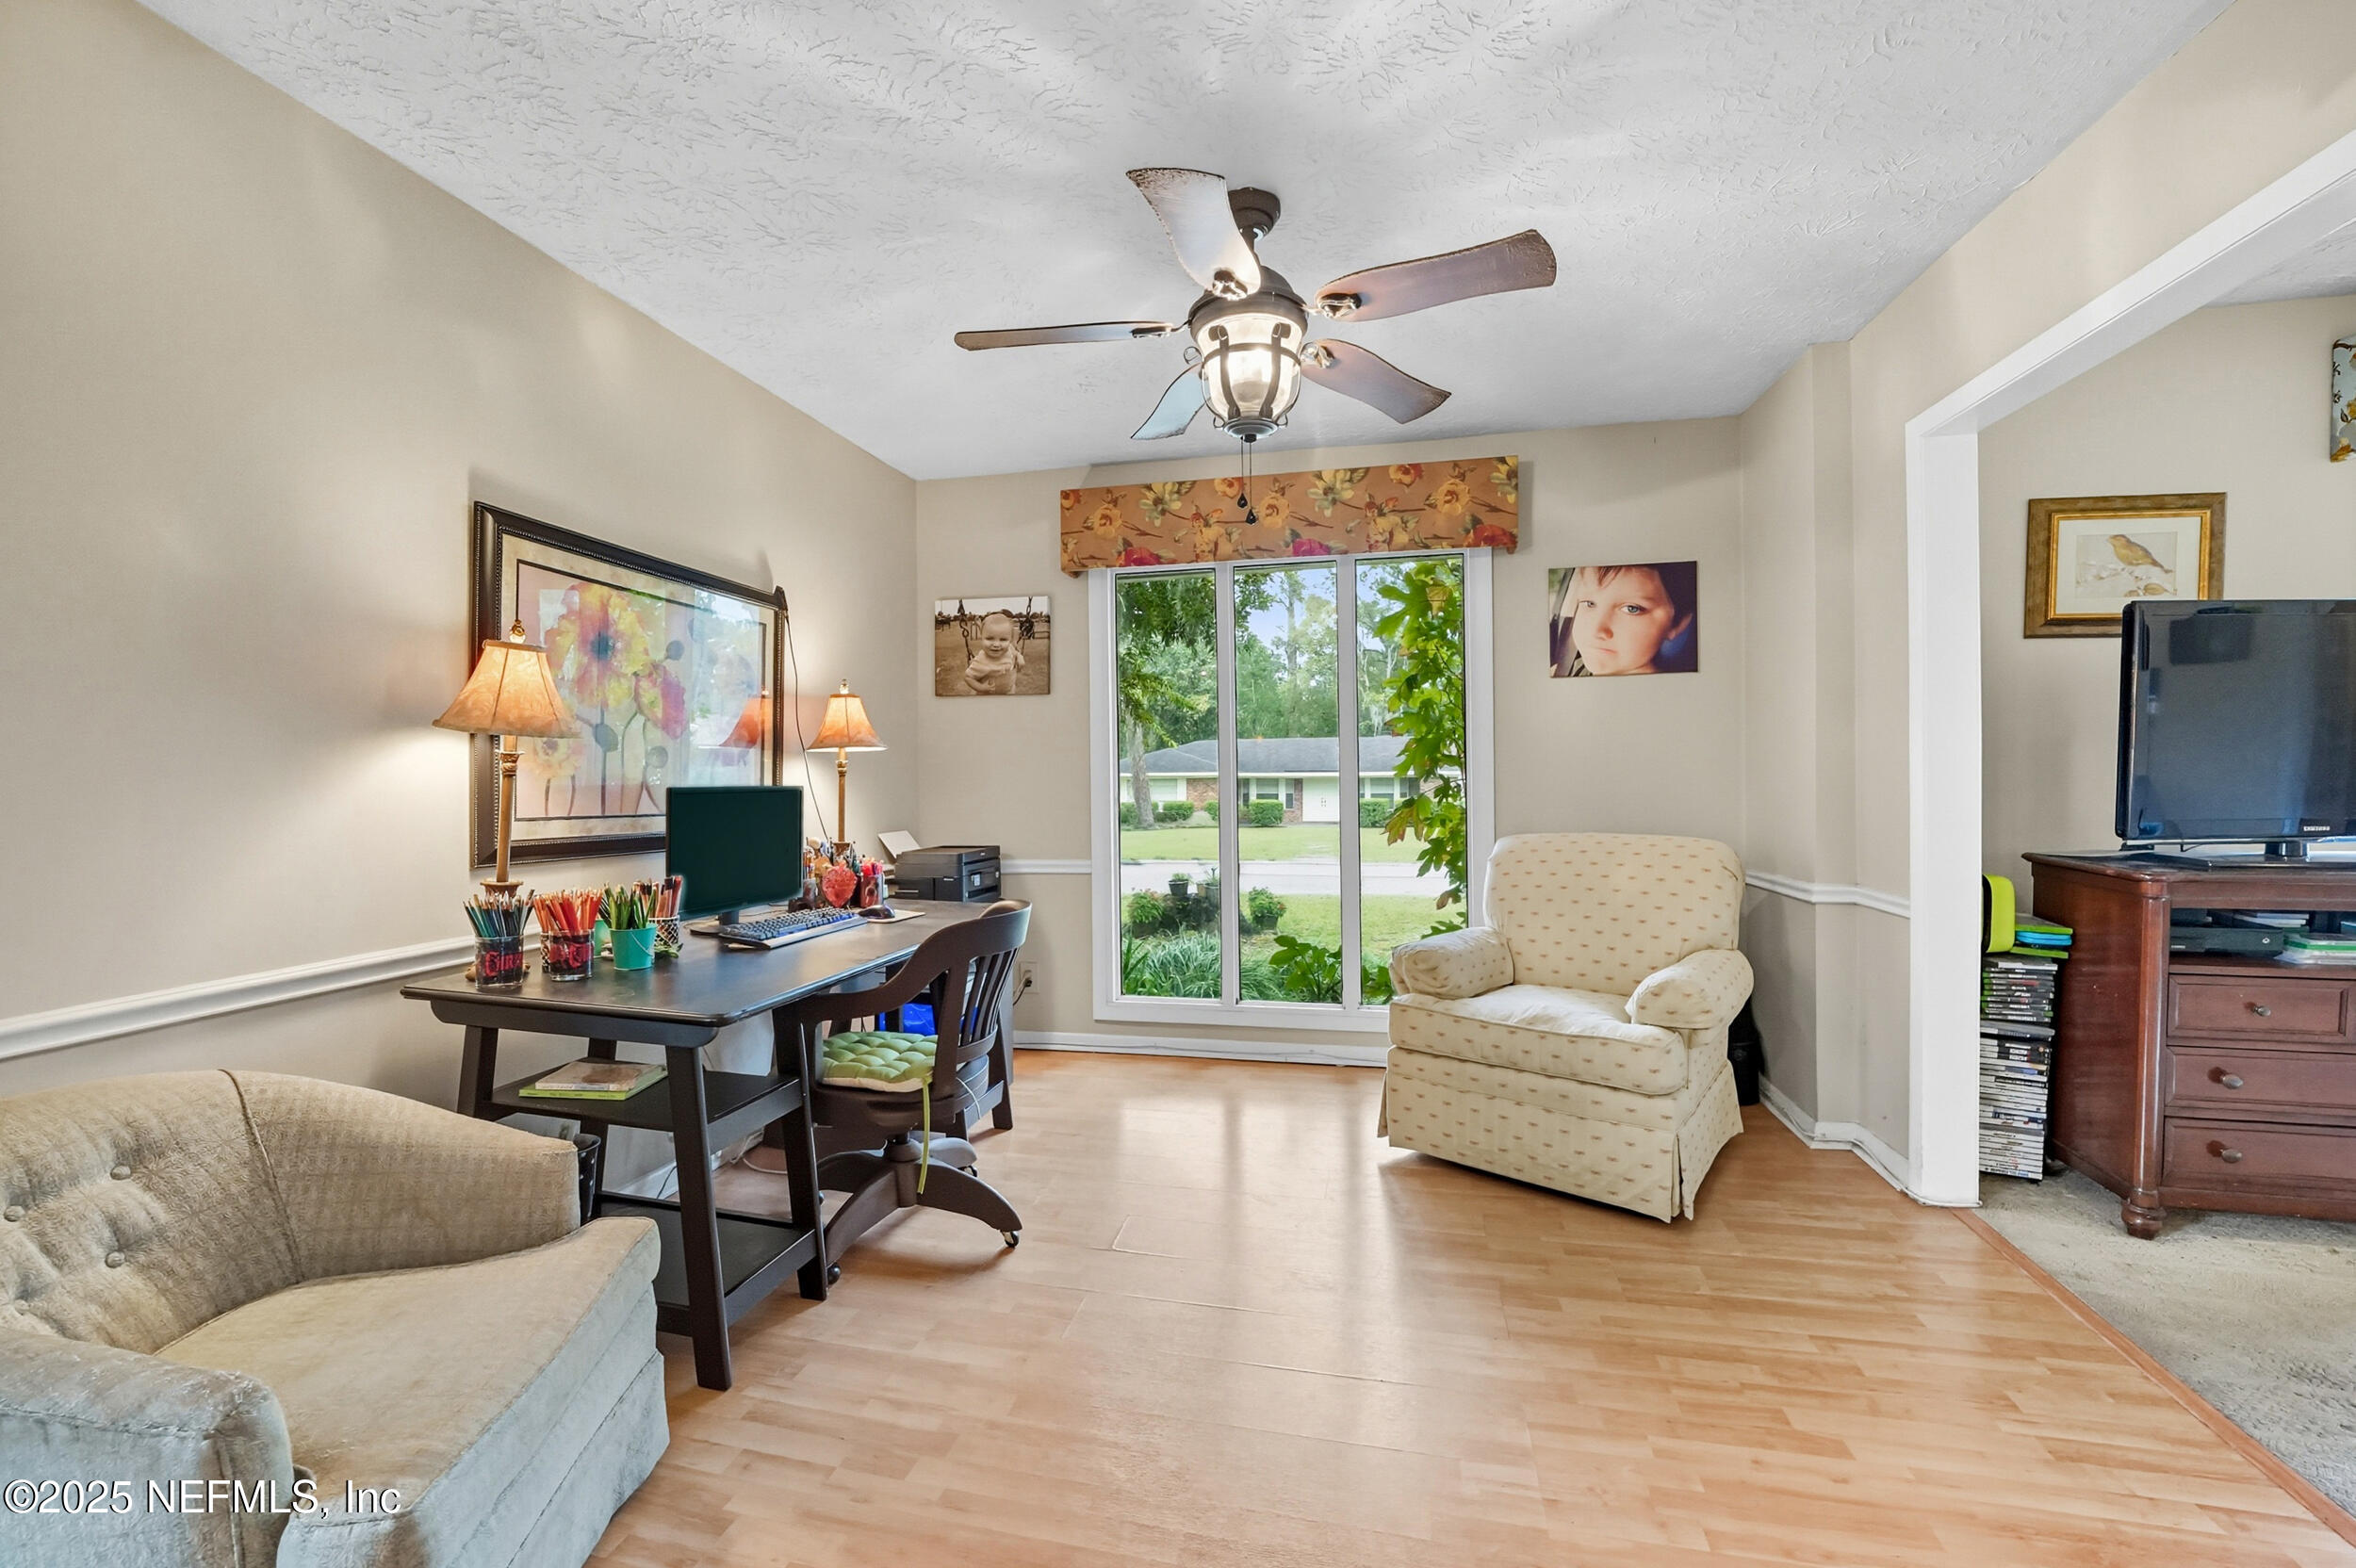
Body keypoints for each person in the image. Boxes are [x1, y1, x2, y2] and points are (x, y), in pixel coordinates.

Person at [1549, 562, 1697, 677]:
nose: (1597, 630)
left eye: (1631, 609)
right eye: (1589, 603)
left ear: (1677, 624)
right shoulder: (1578, 666)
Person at [963, 609, 1026, 694]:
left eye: (1003, 639)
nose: (996, 644)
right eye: (990, 639)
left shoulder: (1009, 648)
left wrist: (1019, 657)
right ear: (982, 638)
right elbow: (968, 677)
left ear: (1010, 640)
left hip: (1009, 692)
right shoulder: (981, 661)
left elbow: (1014, 652)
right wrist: (982, 688)